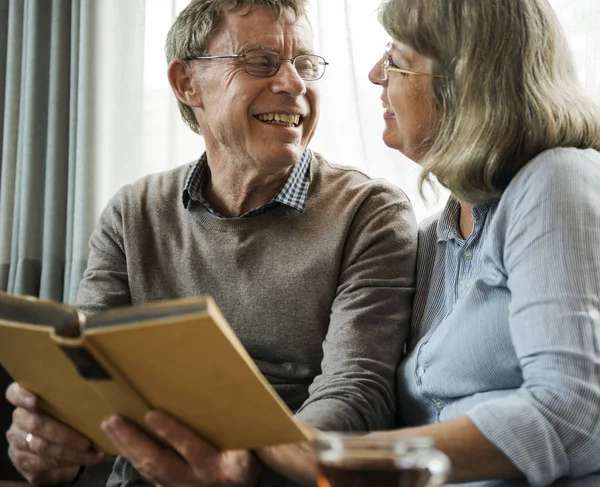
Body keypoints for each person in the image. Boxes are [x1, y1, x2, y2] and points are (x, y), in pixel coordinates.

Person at [5, 0, 418, 486]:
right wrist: (48, 442)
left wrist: (251, 467)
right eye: (261, 62)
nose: (294, 84)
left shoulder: (370, 212)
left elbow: (355, 392)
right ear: (186, 83)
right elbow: (90, 383)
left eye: (305, 65)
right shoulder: (132, 211)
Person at [253, 0, 600, 485]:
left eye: (395, 60)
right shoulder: (430, 238)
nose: (376, 75)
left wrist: (345, 456)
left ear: (463, 84)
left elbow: (573, 410)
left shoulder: (556, 181)